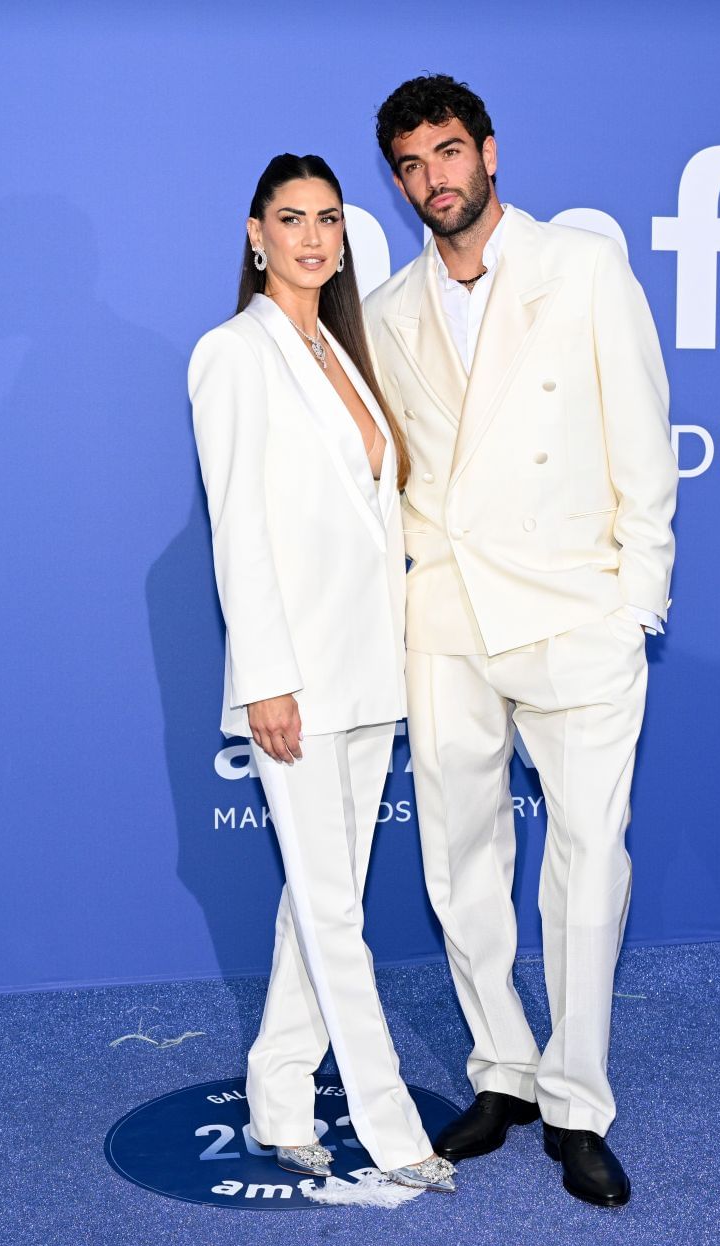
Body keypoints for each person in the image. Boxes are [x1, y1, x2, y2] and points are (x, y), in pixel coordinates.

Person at [363, 75, 678, 1207]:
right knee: (460, 862)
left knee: (589, 868)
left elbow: (645, 436)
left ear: (489, 151)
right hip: (447, 617)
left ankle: (579, 1101)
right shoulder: (393, 305)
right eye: (411, 164)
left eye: (449, 152)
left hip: (572, 611)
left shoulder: (582, 267)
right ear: (397, 181)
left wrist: (634, 600)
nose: (434, 178)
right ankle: (503, 1066)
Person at [186, 152, 456, 1193]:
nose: (311, 237)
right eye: (291, 218)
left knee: (320, 898)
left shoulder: (344, 349)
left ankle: (279, 1090)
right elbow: (236, 528)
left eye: (329, 219)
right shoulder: (231, 353)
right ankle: (389, 1126)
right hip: (294, 673)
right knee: (336, 913)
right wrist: (265, 678)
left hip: (368, 664)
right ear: (255, 232)